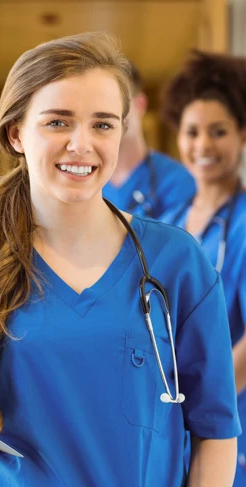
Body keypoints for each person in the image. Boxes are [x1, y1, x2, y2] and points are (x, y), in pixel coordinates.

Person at [0, 32, 240, 486]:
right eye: (58, 122)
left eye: (103, 124)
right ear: (16, 134)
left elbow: (215, 429)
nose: (82, 144)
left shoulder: (175, 263)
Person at [160, 50, 246, 484]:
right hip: (171, 418)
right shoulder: (169, 223)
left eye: (219, 132)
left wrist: (201, 396)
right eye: (192, 132)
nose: (203, 146)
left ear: (242, 135)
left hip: (230, 418)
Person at [103, 62, 195, 219]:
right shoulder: (84, 182)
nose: (106, 114)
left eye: (117, 102)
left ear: (140, 104)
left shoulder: (177, 181)